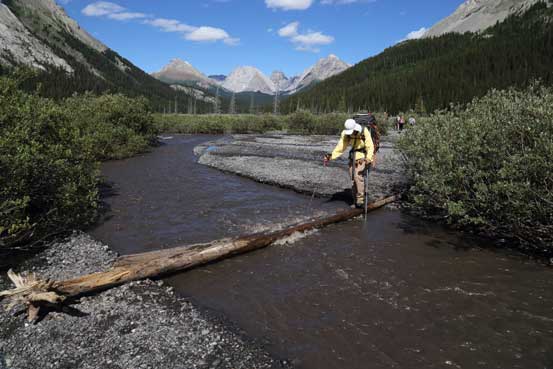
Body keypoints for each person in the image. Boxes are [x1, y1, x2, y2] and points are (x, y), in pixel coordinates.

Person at [324, 119, 374, 208]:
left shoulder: (364, 131)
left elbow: (370, 147)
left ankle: (360, 200)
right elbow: (340, 147)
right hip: (352, 158)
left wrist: (368, 158)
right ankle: (355, 201)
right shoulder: (345, 134)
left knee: (358, 177)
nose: (351, 133)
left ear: (355, 128)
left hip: (363, 157)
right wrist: (331, 156)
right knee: (353, 179)